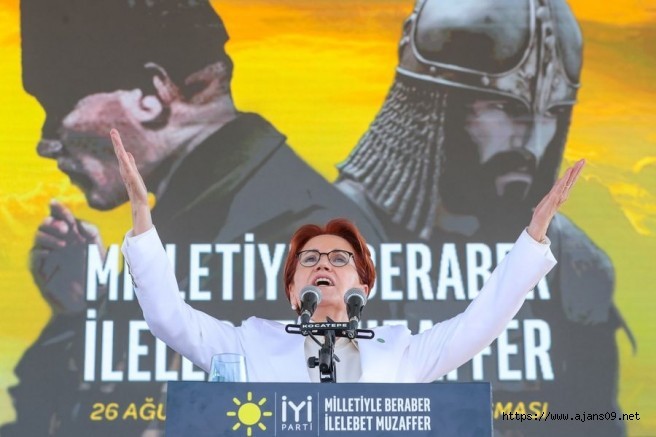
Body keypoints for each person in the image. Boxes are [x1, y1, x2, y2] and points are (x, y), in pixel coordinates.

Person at [3, 1, 384, 436]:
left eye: (58, 106)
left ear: (150, 95)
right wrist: (87, 307)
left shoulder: (298, 237)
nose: (46, 144)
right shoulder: (228, 213)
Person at [334, 0, 628, 435]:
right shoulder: (333, 243)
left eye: (551, 112)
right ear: (432, 107)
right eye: (505, 107)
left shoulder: (573, 261)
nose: (533, 142)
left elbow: (593, 420)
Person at [112, 127, 584, 383]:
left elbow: (483, 321)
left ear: (364, 286)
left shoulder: (401, 353)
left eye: (340, 260)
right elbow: (169, 318)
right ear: (292, 290)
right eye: (309, 260)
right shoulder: (248, 344)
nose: (323, 264)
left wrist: (533, 236)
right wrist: (141, 215)